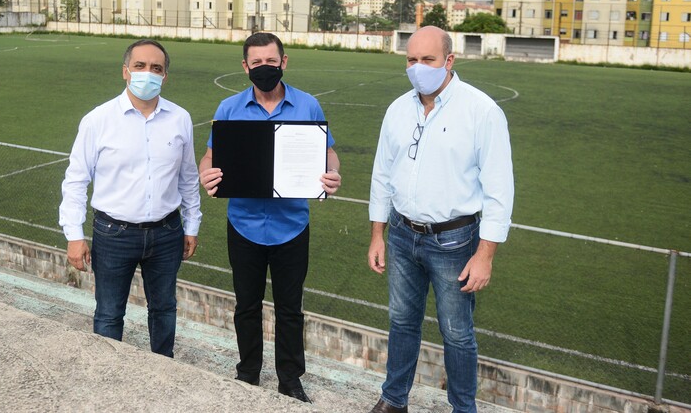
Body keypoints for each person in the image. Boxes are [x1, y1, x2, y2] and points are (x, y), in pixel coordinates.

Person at [366, 26, 514, 413]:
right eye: (411, 60)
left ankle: (463, 409)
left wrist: (485, 255)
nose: (417, 68)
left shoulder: (481, 111)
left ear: (449, 60)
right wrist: (377, 234)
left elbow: (499, 190)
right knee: (401, 322)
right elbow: (382, 174)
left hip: (455, 241)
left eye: (427, 60)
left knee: (457, 334)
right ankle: (394, 399)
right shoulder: (398, 109)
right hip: (400, 234)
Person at [199, 32, 342, 403]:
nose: (265, 68)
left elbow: (328, 153)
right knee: (246, 304)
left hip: (292, 225)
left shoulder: (308, 105)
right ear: (245, 67)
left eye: (271, 61)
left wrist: (331, 175)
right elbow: (211, 155)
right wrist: (206, 173)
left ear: (284, 61)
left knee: (290, 309)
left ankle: (290, 378)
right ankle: (247, 372)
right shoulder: (229, 107)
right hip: (243, 223)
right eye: (256, 63)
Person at [59, 39, 201, 358]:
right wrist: (73, 235)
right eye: (140, 66)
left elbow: (188, 177)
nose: (147, 73)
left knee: (164, 309)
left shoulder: (180, 119)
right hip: (114, 234)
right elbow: (76, 179)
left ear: (165, 76)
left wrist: (191, 225)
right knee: (109, 313)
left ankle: (162, 368)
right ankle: (110, 372)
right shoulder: (98, 120)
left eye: (156, 68)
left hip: (167, 233)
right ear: (125, 71)